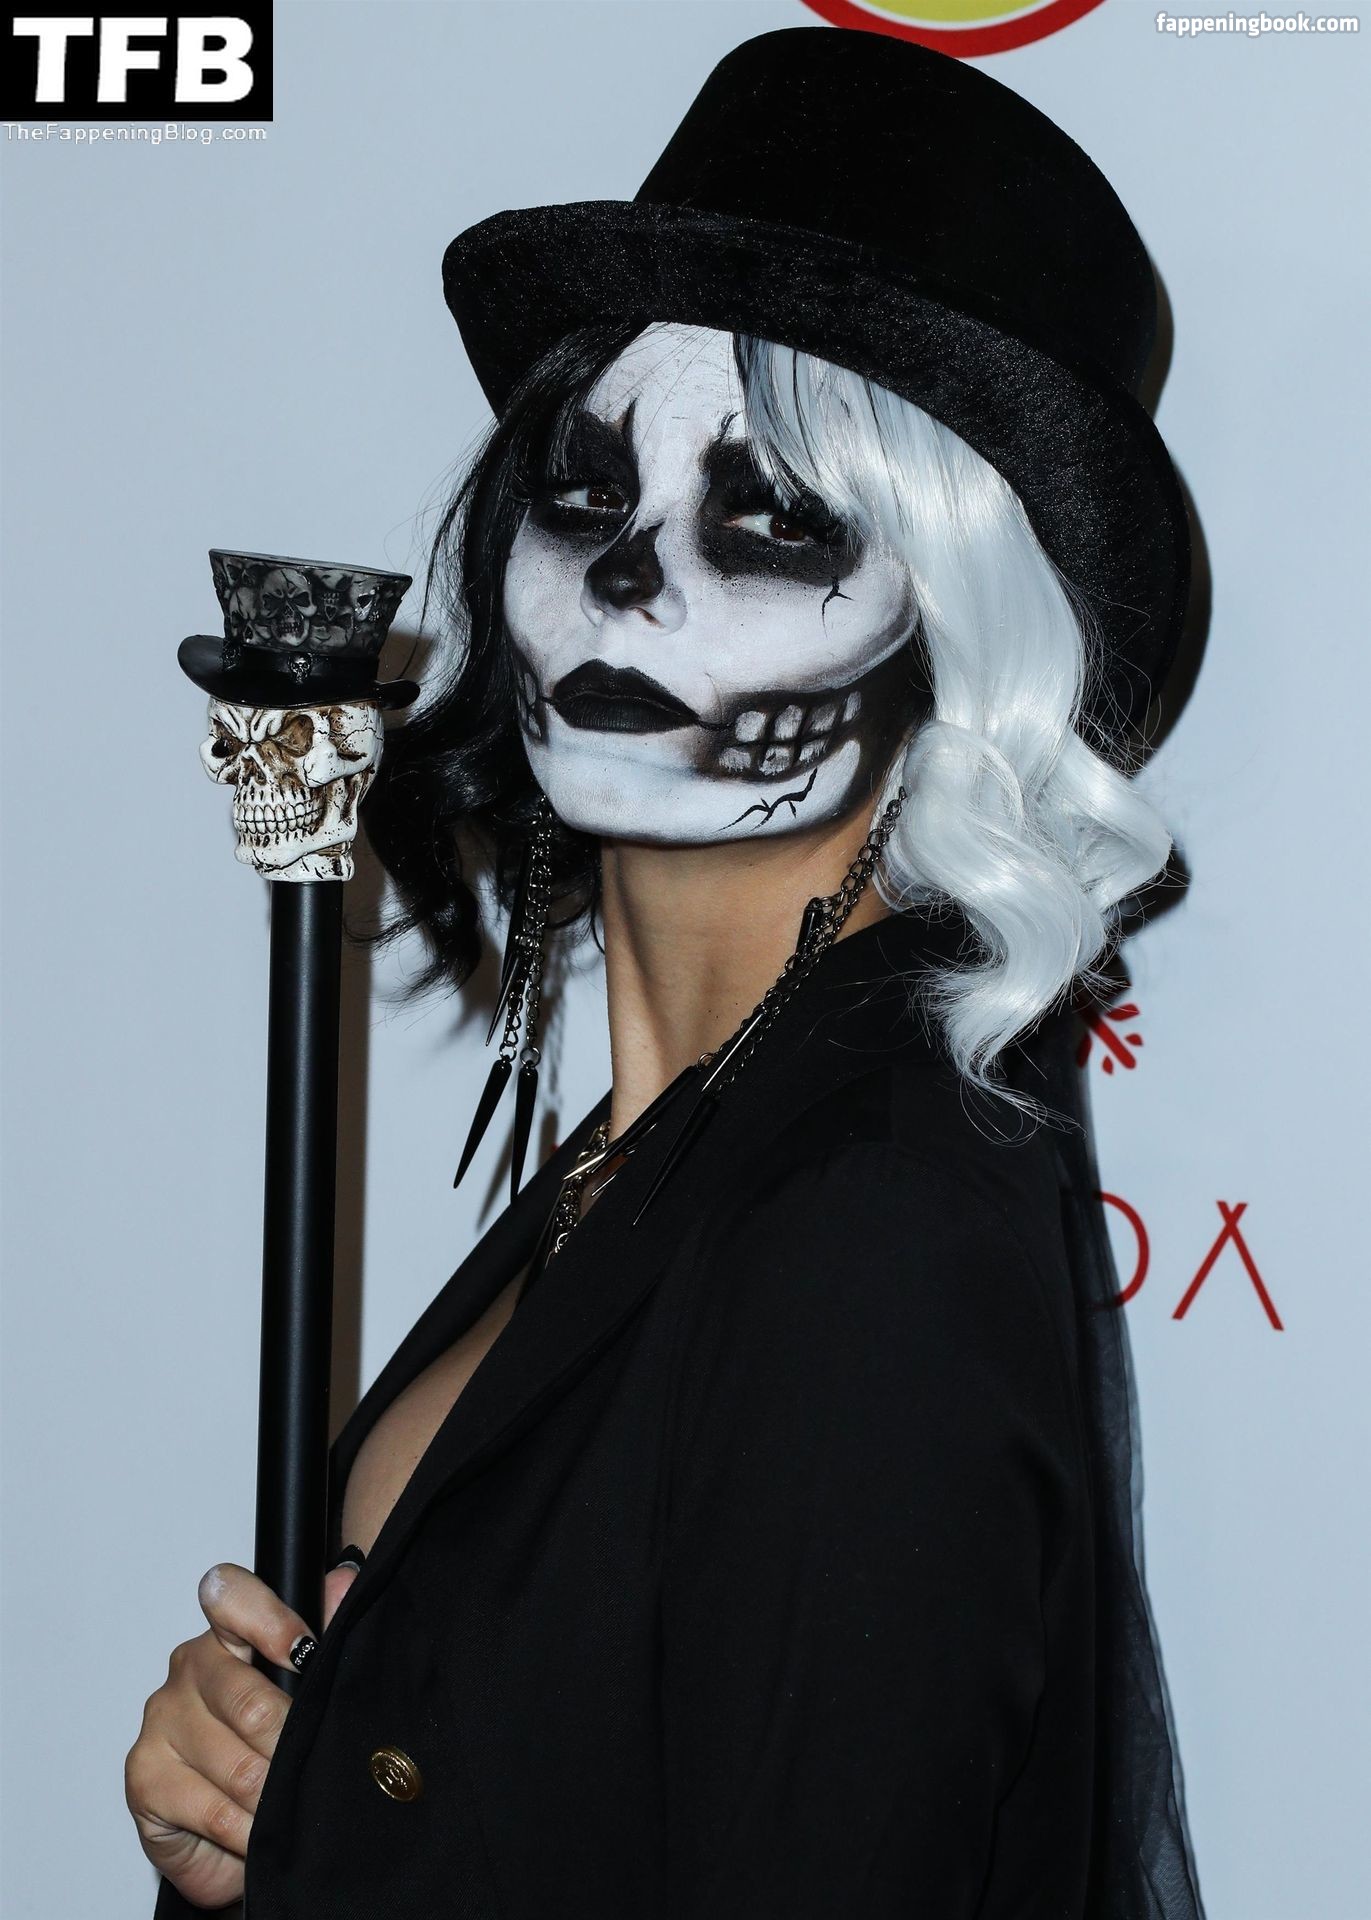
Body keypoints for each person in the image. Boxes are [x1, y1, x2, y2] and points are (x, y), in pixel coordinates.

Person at [126, 27, 1205, 1917]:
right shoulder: (662, 1153)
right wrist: (250, 1817)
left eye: (774, 517)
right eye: (581, 493)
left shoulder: (875, 1223)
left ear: (958, 624)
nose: (633, 580)